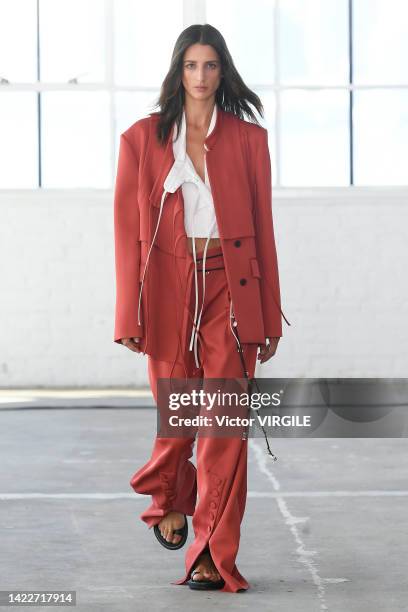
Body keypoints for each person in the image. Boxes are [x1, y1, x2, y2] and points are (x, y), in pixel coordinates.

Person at [113, 23, 290, 593]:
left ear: (223, 72)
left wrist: (268, 311)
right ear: (177, 72)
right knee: (178, 412)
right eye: (191, 66)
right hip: (166, 284)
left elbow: (264, 231)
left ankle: (211, 551)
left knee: (225, 426)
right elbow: (124, 234)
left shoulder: (248, 140)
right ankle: (168, 496)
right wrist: (127, 313)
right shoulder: (142, 140)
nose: (201, 77)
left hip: (230, 289)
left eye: (210, 66)